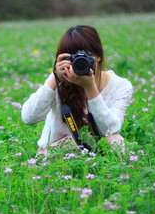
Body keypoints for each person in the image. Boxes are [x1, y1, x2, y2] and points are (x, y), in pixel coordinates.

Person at [21, 25, 133, 155]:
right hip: (57, 151)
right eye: (72, 58)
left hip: (96, 147)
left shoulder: (120, 86)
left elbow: (111, 129)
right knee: (78, 144)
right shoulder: (60, 81)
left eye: (85, 56)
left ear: (98, 56)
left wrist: (90, 88)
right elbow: (28, 117)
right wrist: (55, 78)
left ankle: (101, 172)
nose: (79, 62)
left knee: (117, 142)